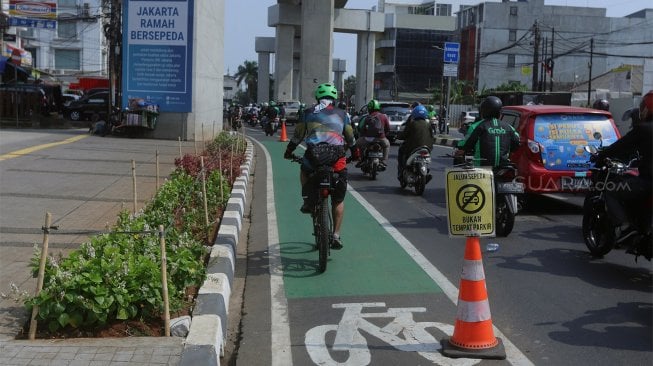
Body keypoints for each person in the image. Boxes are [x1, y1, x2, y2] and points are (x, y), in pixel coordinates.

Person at [283, 83, 356, 250]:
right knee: (338, 200)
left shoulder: (308, 112)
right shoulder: (343, 114)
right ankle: (336, 235)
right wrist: (356, 153)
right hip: (337, 159)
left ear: (317, 97)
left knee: (304, 170)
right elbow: (351, 138)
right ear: (334, 98)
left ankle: (308, 201)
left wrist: (289, 151)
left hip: (313, 158)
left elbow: (297, 136)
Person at [594, 90, 653, 243]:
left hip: (647, 182)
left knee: (611, 191)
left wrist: (602, 156)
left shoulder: (644, 129)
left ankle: (625, 225)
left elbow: (621, 146)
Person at [460, 96, 520, 168]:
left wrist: (459, 145)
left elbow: (467, 145)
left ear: (484, 111)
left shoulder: (478, 126)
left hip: (482, 169)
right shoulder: (509, 127)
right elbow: (516, 144)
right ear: (499, 112)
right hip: (503, 169)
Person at [397, 105, 434, 180]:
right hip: (427, 148)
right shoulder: (428, 124)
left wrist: (399, 136)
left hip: (413, 148)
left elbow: (404, 135)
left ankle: (401, 170)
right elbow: (432, 136)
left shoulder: (412, 123)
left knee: (401, 151)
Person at [354, 99, 391, 168]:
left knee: (358, 144)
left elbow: (362, 129)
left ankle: (362, 159)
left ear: (369, 108)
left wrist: (363, 135)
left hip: (368, 139)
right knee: (387, 145)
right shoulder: (384, 116)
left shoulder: (367, 117)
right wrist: (384, 135)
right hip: (381, 138)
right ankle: (384, 161)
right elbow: (388, 128)